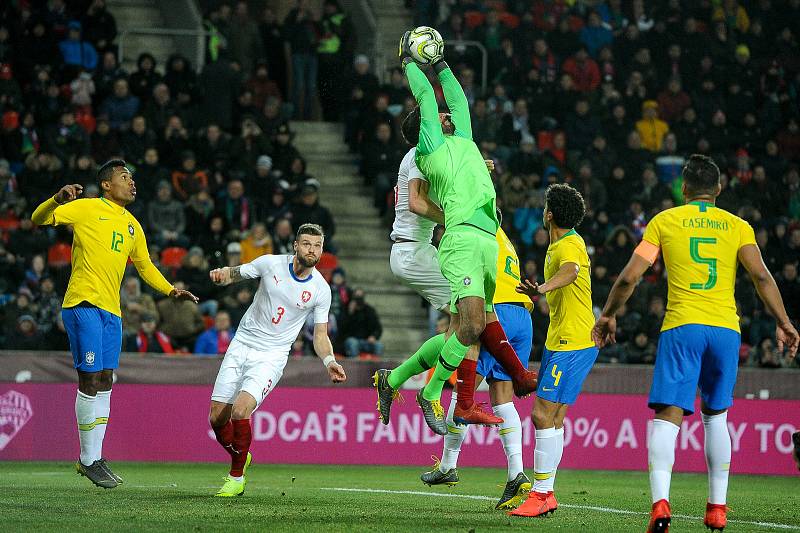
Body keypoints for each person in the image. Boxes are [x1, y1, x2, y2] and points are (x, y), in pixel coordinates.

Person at [592, 154, 799, 532]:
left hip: (682, 327)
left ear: (684, 189)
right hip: (725, 330)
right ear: (719, 189)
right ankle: (717, 508)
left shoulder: (664, 222)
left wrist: (607, 314)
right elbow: (762, 277)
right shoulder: (738, 227)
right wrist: (783, 322)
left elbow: (629, 277)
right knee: (716, 417)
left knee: (668, 417)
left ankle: (659, 505)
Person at [375, 33, 536, 436]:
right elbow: (428, 105)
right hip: (430, 246)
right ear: (427, 131)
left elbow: (458, 102)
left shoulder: (460, 143)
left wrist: (443, 63)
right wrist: (410, 62)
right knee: (471, 324)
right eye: (440, 119)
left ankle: (396, 381)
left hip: (459, 238)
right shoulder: (423, 151)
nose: (447, 116)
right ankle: (436, 393)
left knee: (472, 323)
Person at [30, 159, 198, 489]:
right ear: (107, 185)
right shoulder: (87, 208)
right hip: (83, 304)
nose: (132, 183)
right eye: (124, 178)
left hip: (112, 312)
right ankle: (87, 458)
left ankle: (96, 457)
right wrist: (56, 200)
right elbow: (38, 218)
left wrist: (170, 290)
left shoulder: (133, 224)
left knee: (107, 379)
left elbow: (145, 265)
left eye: (132, 178)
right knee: (90, 379)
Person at [207, 223, 346, 497]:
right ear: (295, 245)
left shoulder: (321, 289)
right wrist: (223, 274)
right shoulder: (270, 264)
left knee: (240, 411)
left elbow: (320, 334)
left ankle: (236, 477)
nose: (312, 250)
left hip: (272, 355)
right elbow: (237, 273)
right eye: (307, 244)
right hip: (242, 343)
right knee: (216, 419)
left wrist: (329, 360)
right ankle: (241, 455)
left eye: (317, 246)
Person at [421, 213, 535, 511]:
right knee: (503, 400)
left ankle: (448, 465)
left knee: (463, 393)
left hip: (495, 313)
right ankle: (516, 473)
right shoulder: (502, 236)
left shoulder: (474, 234)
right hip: (523, 315)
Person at [509, 184, 599, 518]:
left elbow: (572, 272)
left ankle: (539, 492)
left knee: (541, 415)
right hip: (560, 340)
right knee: (555, 418)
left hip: (572, 344)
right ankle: (547, 494)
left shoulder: (570, 244)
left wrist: (542, 289)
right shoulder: (558, 244)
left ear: (549, 214)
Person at [339, 288, 383, 358]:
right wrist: (350, 313)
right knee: (353, 343)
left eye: (360, 297)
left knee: (379, 345)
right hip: (352, 340)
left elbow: (378, 328)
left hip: (367, 341)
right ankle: (354, 366)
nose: (358, 300)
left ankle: (376, 366)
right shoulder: (346, 309)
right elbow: (341, 328)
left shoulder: (369, 310)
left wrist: (374, 336)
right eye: (356, 297)